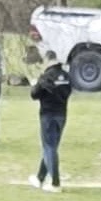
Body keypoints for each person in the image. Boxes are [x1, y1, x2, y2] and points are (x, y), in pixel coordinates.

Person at [29, 52, 69, 189]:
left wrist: (34, 84)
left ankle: (55, 183)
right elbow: (67, 92)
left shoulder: (46, 77)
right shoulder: (66, 76)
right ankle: (40, 178)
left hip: (48, 115)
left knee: (49, 148)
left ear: (47, 60)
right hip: (62, 115)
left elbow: (35, 94)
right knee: (51, 147)